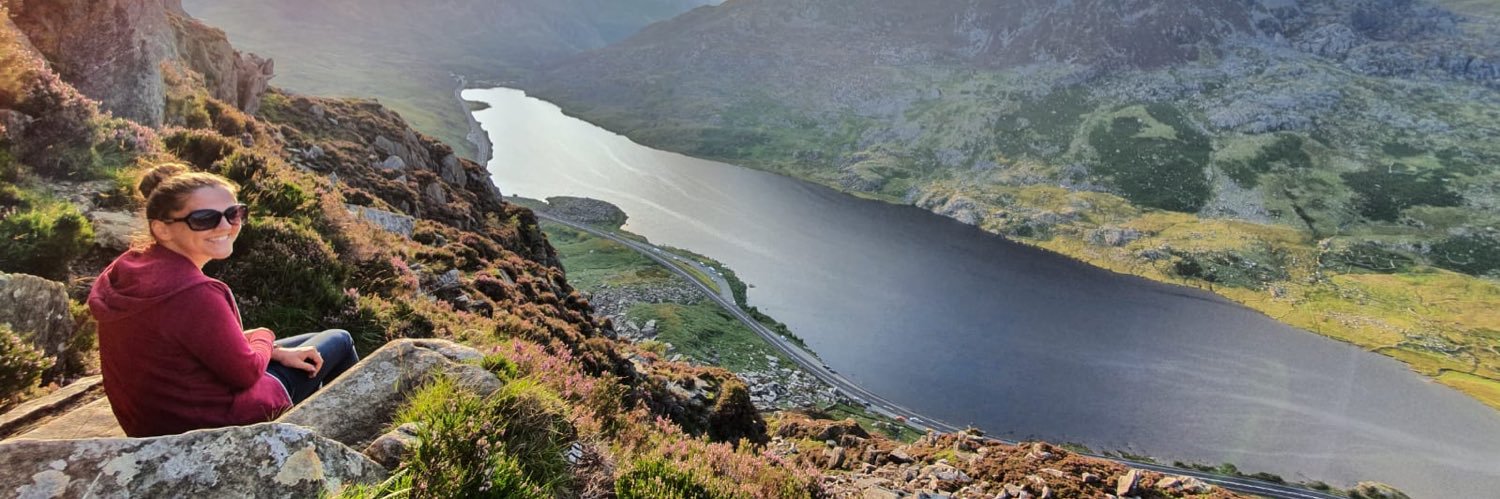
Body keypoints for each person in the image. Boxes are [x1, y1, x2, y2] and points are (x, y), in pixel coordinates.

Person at [87, 164, 359, 437]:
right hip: (213, 423)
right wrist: (264, 334)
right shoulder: (194, 293)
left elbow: (192, 342)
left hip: (154, 421)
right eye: (204, 219)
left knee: (307, 341)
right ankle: (344, 441)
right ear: (163, 229)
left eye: (234, 213)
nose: (226, 226)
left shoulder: (131, 268)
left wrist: (271, 349)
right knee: (339, 339)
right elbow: (245, 373)